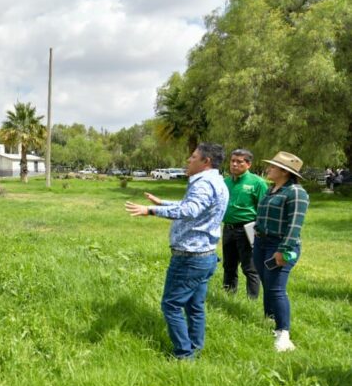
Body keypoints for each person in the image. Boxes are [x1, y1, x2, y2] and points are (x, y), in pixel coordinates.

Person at [125, 143, 229, 360]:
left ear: (205, 161)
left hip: (190, 258)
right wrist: (162, 201)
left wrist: (151, 210)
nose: (188, 160)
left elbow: (190, 210)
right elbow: (194, 205)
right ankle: (196, 348)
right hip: (205, 255)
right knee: (195, 306)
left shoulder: (203, 183)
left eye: (193, 157)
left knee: (171, 305)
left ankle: (184, 355)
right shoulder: (216, 181)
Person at [253, 151, 309, 352]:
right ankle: (270, 320)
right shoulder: (271, 190)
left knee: (276, 288)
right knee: (267, 283)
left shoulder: (296, 192)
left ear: (285, 172)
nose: (269, 169)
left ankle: (283, 335)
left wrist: (283, 250)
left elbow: (295, 225)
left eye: (273, 167)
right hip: (261, 244)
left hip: (280, 245)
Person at [222, 149, 267, 299]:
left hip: (247, 229)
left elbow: (264, 209)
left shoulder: (257, 182)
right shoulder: (225, 182)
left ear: (248, 164)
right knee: (228, 266)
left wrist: (259, 231)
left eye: (239, 161)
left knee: (249, 267)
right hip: (228, 228)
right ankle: (228, 296)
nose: (234, 164)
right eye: (232, 161)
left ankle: (251, 300)